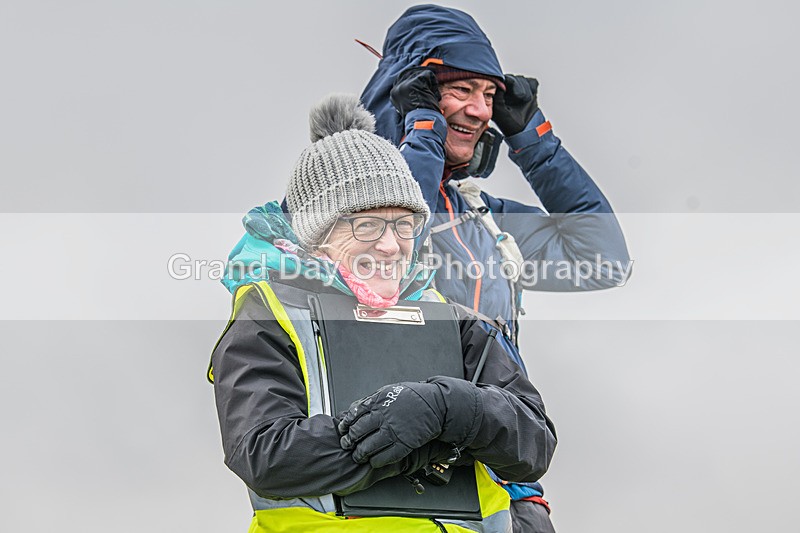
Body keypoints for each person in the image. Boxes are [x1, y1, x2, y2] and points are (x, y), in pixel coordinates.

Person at [210, 94, 557, 532]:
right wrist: (424, 444)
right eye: (367, 225)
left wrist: (449, 408)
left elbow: (534, 442)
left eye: (404, 224)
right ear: (317, 237)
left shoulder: (458, 321)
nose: (391, 245)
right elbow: (266, 454)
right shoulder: (270, 314)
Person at [358, 5, 632, 531]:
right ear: (407, 91)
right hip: (404, 485)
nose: (482, 112)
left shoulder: (483, 218)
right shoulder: (340, 206)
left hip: (512, 491)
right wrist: (420, 134)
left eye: (490, 96)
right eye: (460, 90)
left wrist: (534, 140)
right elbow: (389, 255)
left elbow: (604, 261)